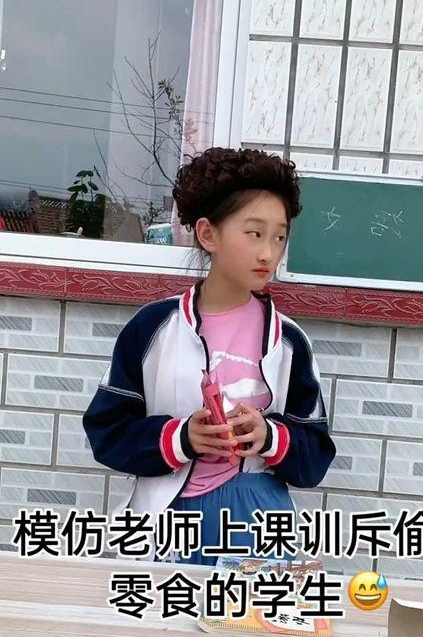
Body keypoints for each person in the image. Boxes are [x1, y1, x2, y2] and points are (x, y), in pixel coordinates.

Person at [82, 147, 336, 564]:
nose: (268, 253)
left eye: (279, 236)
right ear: (208, 234)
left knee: (253, 610)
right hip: (168, 522)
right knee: (166, 606)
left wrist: (268, 436)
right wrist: (183, 437)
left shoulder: (289, 341)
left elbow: (315, 458)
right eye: (254, 233)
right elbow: (106, 433)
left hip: (259, 520)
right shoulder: (153, 327)